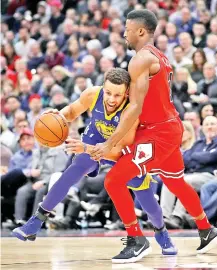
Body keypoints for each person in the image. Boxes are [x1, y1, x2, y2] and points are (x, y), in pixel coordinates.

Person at [90, 9, 217, 263]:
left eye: (128, 29)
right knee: (174, 182)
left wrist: (111, 141)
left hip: (158, 133)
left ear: (141, 31)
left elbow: (135, 107)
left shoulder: (140, 59)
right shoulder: (159, 56)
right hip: (169, 127)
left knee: (114, 181)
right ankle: (206, 229)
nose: (124, 34)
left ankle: (136, 239)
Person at [12, 68, 177, 258]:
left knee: (146, 199)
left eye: (118, 95)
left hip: (123, 151)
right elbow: (72, 110)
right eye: (108, 93)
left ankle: (161, 231)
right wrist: (59, 117)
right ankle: (36, 221)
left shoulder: (133, 109)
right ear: (103, 87)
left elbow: (116, 150)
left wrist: (87, 148)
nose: (112, 99)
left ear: (127, 93)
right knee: (71, 172)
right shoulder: (92, 94)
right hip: (95, 137)